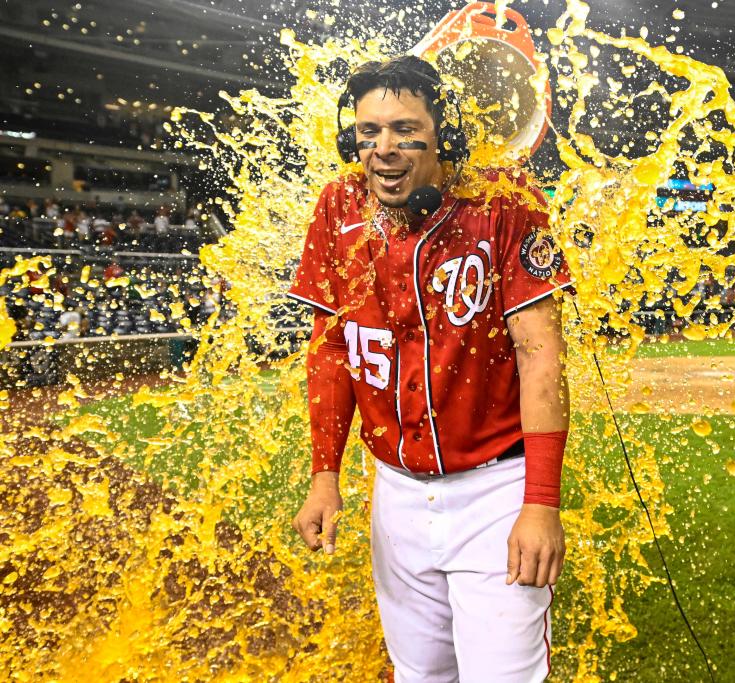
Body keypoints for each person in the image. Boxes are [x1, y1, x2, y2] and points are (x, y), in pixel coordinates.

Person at [288, 56, 571, 682]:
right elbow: (332, 347)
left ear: (445, 133)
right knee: (419, 676)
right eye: (367, 133)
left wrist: (540, 504)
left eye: (404, 131)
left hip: (496, 492)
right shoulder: (338, 207)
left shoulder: (502, 203)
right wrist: (324, 475)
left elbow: (540, 354)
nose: (382, 150)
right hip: (397, 494)